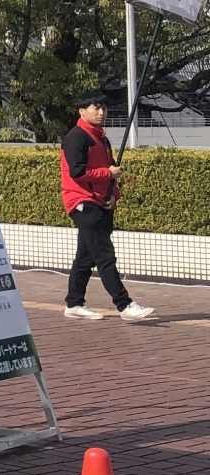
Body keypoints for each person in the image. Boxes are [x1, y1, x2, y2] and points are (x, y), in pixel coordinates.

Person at [60, 90, 155, 321]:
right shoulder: (76, 137)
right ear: (82, 111)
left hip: (100, 201)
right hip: (82, 201)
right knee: (105, 256)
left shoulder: (101, 138)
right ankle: (124, 305)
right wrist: (107, 173)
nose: (101, 112)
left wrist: (114, 195)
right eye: (96, 108)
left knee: (86, 257)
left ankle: (74, 303)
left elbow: (110, 170)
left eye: (104, 108)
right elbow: (77, 172)